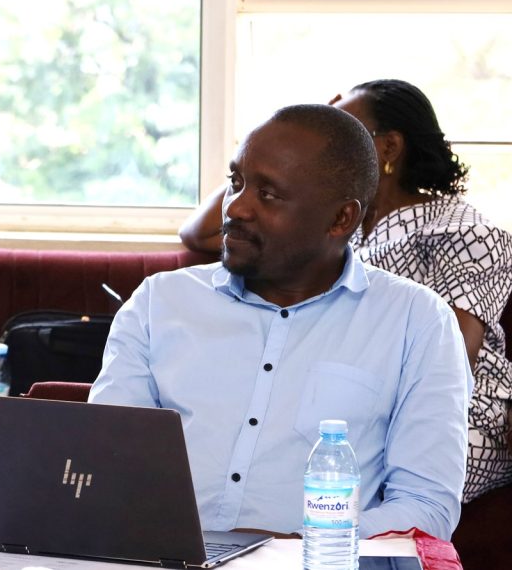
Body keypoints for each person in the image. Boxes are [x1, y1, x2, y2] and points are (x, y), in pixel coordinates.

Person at [90, 104, 471, 540]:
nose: (236, 208)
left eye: (268, 194)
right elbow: (107, 464)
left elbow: (427, 506)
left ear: (341, 218)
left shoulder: (415, 322)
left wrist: (294, 547)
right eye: (237, 182)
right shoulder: (161, 303)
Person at [179, 79, 512, 502]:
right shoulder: (325, 226)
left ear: (389, 148)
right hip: (328, 393)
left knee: (360, 474)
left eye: (347, 125)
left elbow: (454, 358)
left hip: (458, 411)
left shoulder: (467, 231)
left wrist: (358, 408)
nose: (333, 136)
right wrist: (282, 144)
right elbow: (198, 232)